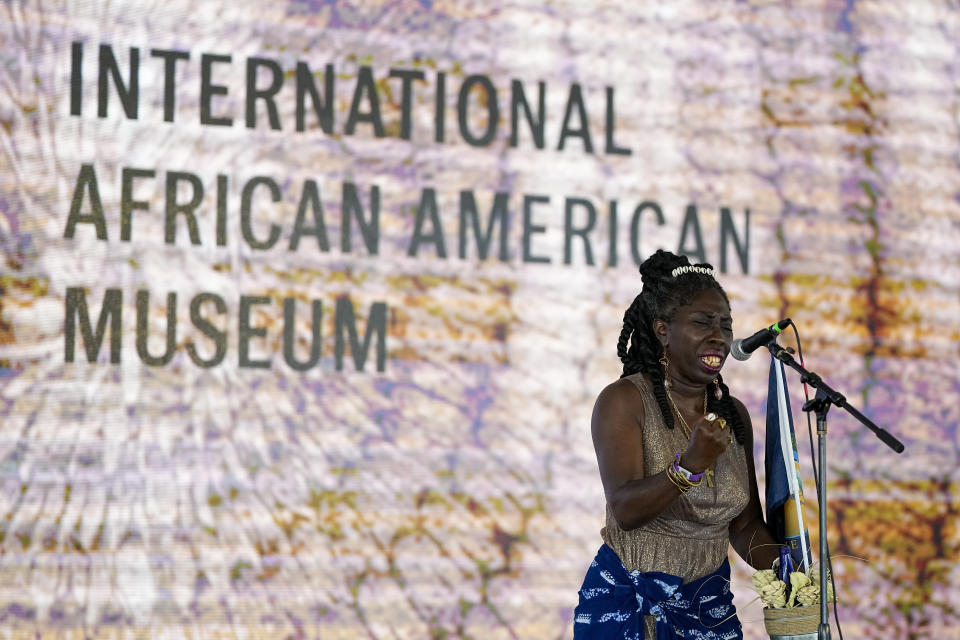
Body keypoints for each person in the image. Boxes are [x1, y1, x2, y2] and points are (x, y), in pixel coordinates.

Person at [573, 250, 781, 639]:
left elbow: (745, 525)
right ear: (662, 329)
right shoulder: (624, 401)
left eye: (725, 324)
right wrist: (688, 468)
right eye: (703, 322)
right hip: (629, 604)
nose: (718, 336)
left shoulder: (732, 415)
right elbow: (626, 509)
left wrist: (790, 575)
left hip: (708, 607)